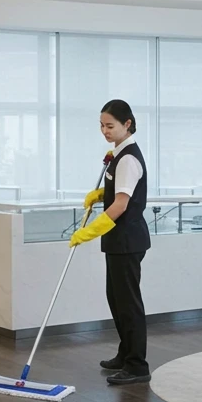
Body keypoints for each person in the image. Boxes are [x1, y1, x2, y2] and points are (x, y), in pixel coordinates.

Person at [69, 99, 151, 384]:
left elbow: (120, 206)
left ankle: (137, 365)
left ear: (127, 124)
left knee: (128, 303)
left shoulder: (128, 158)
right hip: (118, 240)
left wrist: (89, 232)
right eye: (101, 125)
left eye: (110, 125)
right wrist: (99, 195)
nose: (105, 130)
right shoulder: (118, 153)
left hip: (127, 240)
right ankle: (125, 352)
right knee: (115, 300)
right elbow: (115, 195)